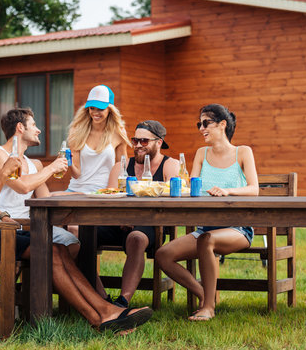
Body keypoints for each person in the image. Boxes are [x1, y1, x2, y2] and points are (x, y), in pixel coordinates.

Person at [0, 96, 152, 333]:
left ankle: (107, 310)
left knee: (57, 248)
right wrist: (4, 174)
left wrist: (4, 216)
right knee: (48, 250)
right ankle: (100, 317)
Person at [155, 104, 259, 321]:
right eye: (199, 124)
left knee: (206, 240)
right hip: (204, 229)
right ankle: (205, 294)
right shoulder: (201, 153)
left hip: (237, 230)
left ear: (222, 125)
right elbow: (194, 188)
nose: (201, 128)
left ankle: (208, 308)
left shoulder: (243, 152)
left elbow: (254, 189)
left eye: (206, 123)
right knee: (163, 255)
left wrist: (227, 191)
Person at [97, 120, 180, 308]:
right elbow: (110, 198)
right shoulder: (121, 166)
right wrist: (122, 218)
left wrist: (136, 219)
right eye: (135, 141)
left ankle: (122, 301)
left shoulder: (170, 165)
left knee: (136, 238)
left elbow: (174, 198)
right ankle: (101, 298)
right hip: (118, 223)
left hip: (152, 225)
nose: (138, 146)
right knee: (78, 234)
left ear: (159, 142)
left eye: (144, 141)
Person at [0, 108, 80, 259]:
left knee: (71, 241)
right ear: (20, 127)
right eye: (33, 125)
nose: (39, 130)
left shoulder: (35, 165)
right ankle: (44, 280)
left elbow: (45, 199)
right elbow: (22, 186)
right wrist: (52, 167)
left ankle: (45, 281)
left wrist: (80, 194)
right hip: (2, 227)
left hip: (28, 225)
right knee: (58, 245)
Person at [65, 84, 130, 194]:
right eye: (92, 108)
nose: (95, 112)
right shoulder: (76, 131)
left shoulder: (119, 133)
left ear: (110, 109)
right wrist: (68, 162)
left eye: (100, 109)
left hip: (104, 193)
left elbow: (122, 169)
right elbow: (76, 174)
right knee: (47, 198)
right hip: (76, 190)